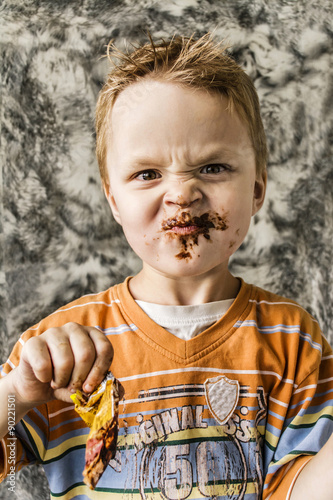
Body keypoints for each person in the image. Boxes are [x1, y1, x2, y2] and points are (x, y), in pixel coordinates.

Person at [0, 33, 332, 500]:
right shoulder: (57, 353)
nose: (182, 193)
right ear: (114, 200)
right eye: (148, 174)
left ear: (257, 189)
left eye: (213, 167)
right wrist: (15, 395)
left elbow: (303, 489)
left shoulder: (292, 339)